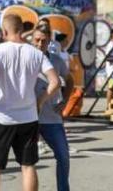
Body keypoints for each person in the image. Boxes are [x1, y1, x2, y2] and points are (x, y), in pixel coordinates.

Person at [0, 15, 60, 191]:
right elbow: (55, 82)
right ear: (22, 30)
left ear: (4, 31)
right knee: (28, 166)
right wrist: (40, 101)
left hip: (1, 117)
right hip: (28, 117)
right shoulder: (36, 53)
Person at [32, 26, 74, 191]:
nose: (40, 43)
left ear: (49, 41)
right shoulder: (26, 58)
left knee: (63, 156)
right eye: (37, 40)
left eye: (43, 40)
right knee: (28, 162)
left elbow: (69, 80)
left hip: (52, 117)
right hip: (29, 117)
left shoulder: (56, 60)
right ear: (32, 40)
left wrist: (66, 100)